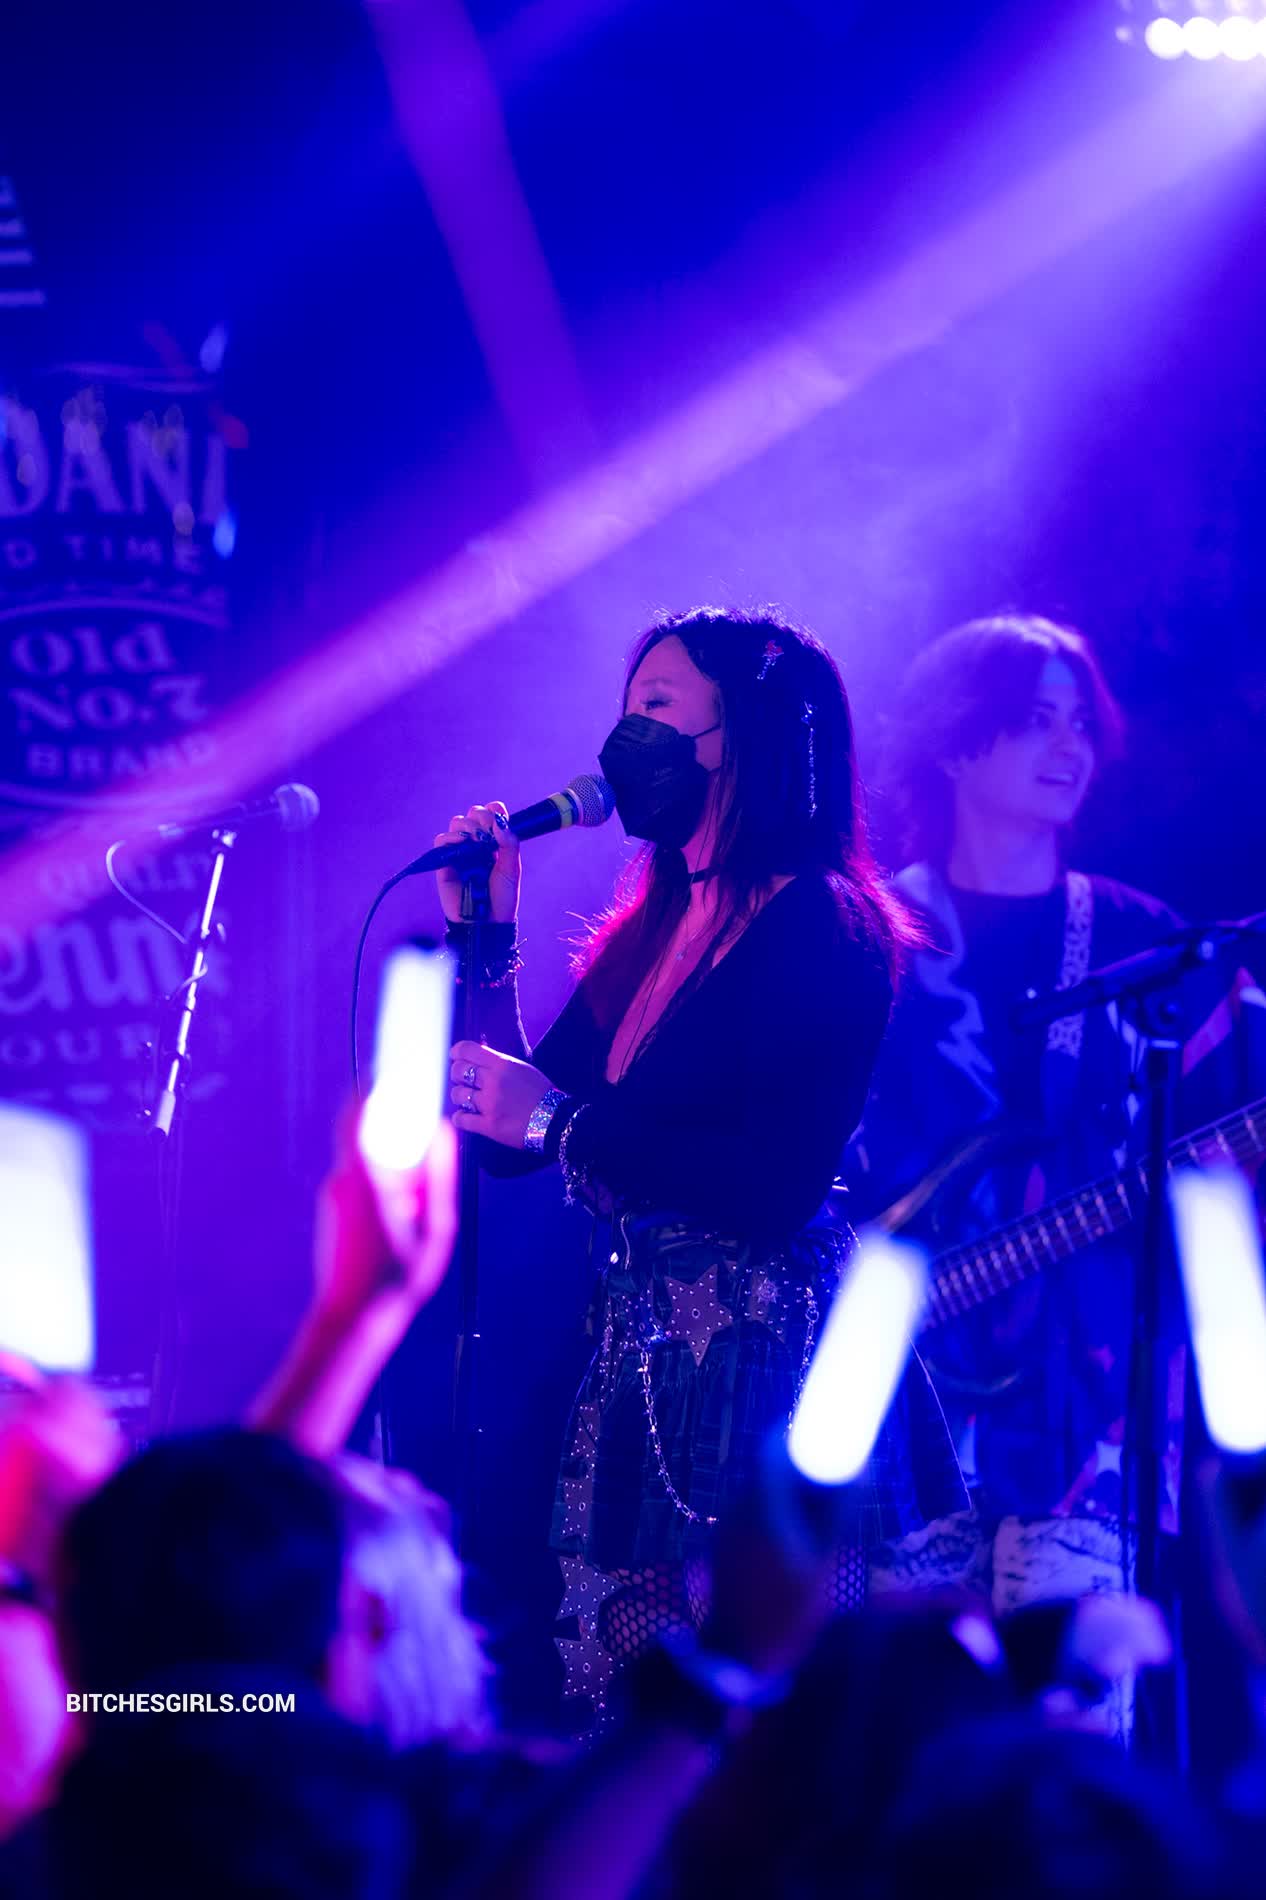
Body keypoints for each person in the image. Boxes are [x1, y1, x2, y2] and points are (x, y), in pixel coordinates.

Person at [432, 604, 965, 1705]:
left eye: (659, 706)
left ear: (742, 733)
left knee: (769, 1691)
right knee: (630, 1690)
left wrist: (560, 1123)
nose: (627, 738)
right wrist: (485, 940)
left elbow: (771, 1186)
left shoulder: (824, 919)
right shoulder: (652, 926)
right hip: (642, 1350)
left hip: (769, 1351)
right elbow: (507, 1137)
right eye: (627, 708)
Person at [842, 613, 1266, 1735]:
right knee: (912, 1736)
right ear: (953, 740)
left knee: (1069, 1741)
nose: (1069, 746)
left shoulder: (1145, 943)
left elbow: (1233, 1161)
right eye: (1035, 720)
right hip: (896, 1412)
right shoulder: (871, 939)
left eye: (1081, 723)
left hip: (1091, 1413)